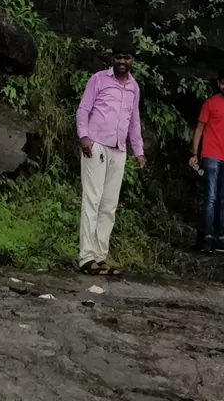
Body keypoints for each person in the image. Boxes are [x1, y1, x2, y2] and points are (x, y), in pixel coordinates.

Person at [75, 42, 145, 275]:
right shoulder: (98, 79)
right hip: (95, 145)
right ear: (112, 59)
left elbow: (134, 121)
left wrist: (138, 151)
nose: (122, 61)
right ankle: (86, 258)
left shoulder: (134, 87)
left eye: (126, 57)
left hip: (119, 150)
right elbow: (84, 110)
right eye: (118, 57)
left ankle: (100, 256)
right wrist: (84, 137)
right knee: (92, 200)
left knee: (109, 205)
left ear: (132, 60)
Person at [189, 70, 224, 253]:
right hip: (211, 153)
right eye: (223, 84)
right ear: (218, 83)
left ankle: (223, 237)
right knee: (211, 198)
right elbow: (199, 129)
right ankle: (207, 237)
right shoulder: (210, 103)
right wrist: (194, 153)